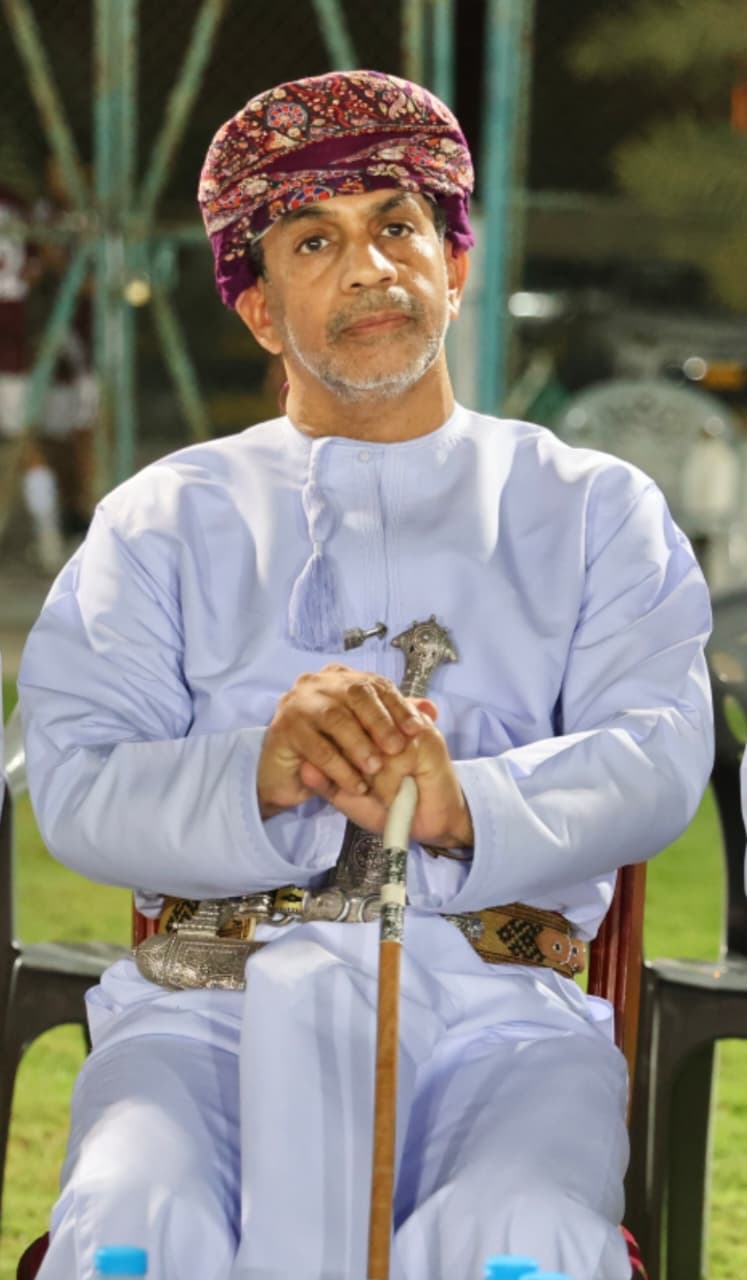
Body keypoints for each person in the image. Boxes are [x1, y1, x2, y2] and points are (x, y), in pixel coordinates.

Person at [19, 70, 713, 1280]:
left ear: (455, 263)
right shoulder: (162, 519)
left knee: (524, 1239)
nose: (371, 268)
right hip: (208, 1011)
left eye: (399, 226)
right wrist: (259, 769)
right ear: (257, 306)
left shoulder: (592, 507)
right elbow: (76, 781)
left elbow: (657, 754)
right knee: (139, 1227)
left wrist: (464, 800)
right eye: (313, 241)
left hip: (502, 1017)